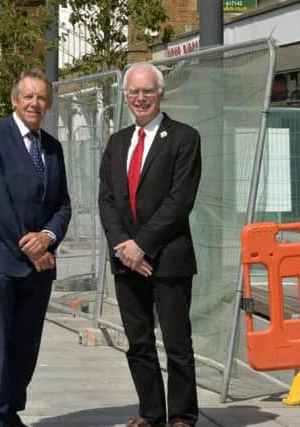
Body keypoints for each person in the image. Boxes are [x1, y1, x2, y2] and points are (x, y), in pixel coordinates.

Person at [0, 68, 71, 427]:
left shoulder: (52, 148)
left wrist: (49, 238)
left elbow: (63, 205)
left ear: (49, 104)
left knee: (26, 343)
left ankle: (10, 412)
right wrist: (32, 246)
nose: (34, 103)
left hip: (38, 265)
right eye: (28, 96)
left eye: (41, 97)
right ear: (14, 100)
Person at [98, 63, 201, 427]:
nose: (140, 98)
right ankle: (151, 413)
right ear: (125, 97)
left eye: (147, 91)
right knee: (138, 342)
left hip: (168, 257)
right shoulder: (117, 142)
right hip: (126, 261)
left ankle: (183, 416)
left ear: (161, 93)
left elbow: (179, 201)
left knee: (177, 343)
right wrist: (123, 246)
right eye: (133, 92)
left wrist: (141, 245)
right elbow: (107, 199)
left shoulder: (184, 138)